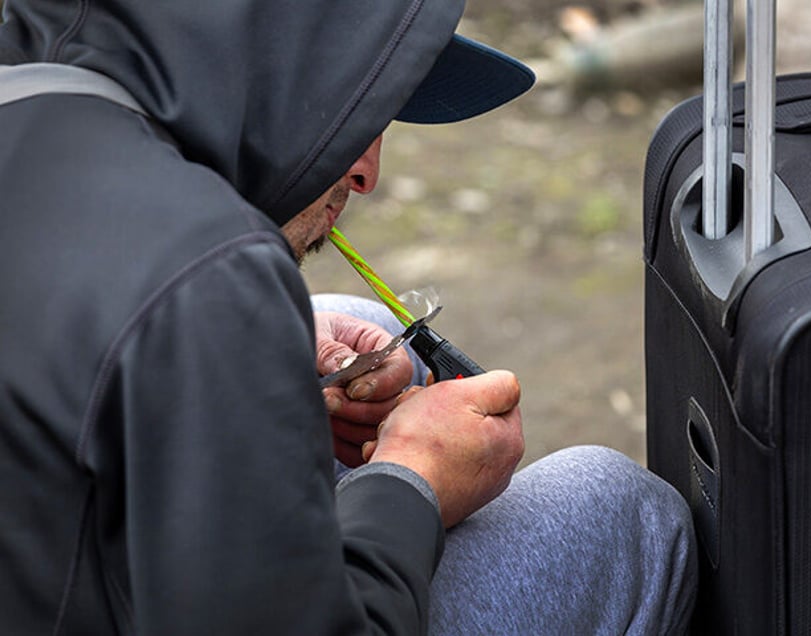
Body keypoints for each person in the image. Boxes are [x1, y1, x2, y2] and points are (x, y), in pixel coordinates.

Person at [0, 0, 697, 634]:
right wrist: (410, 482)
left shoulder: (38, 96)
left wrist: (261, 353)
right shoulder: (201, 277)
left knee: (349, 318)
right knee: (620, 510)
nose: (367, 173)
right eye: (354, 109)